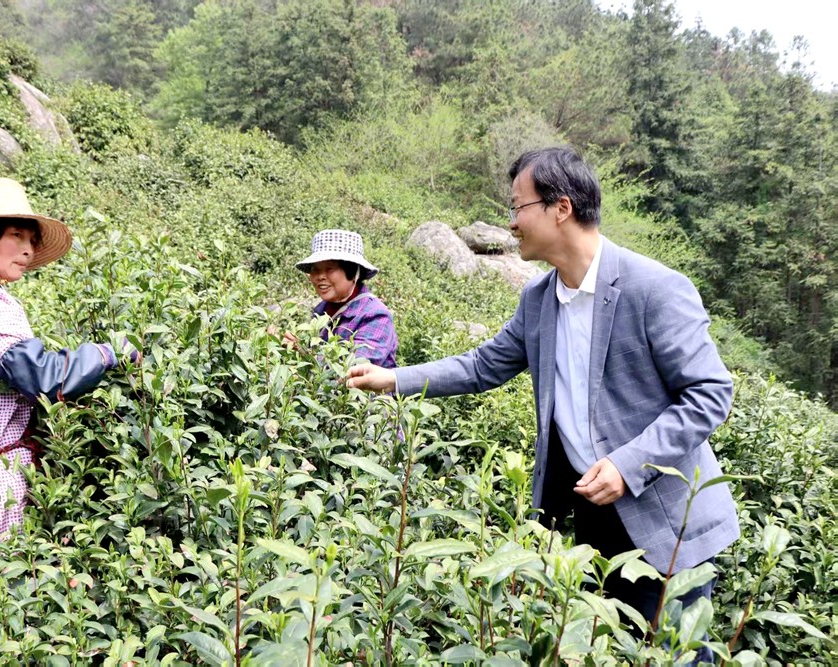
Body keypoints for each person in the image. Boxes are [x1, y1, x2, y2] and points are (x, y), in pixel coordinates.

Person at [346, 147, 738, 660]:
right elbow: (482, 366)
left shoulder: (654, 288)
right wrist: (392, 379)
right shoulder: (539, 299)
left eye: (518, 206)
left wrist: (628, 465)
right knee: (606, 650)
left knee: (673, 654)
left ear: (561, 208)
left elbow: (710, 393)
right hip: (594, 516)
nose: (511, 222)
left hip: (665, 520)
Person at [0, 177, 136, 590]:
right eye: (16, 235)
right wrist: (108, 353)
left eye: (32, 240)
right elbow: (40, 376)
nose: (28, 250)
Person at [293, 229, 398, 368]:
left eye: (329, 269)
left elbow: (353, 369)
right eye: (315, 269)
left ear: (353, 271)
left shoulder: (376, 316)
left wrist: (304, 354)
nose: (320, 276)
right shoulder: (322, 310)